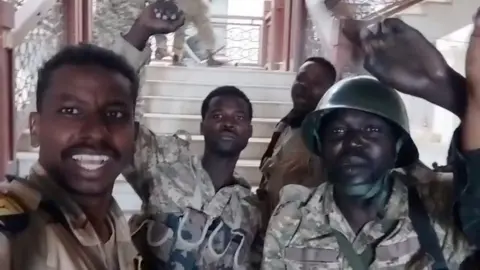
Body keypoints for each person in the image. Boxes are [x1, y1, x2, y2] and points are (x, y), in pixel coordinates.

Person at [261, 75, 473, 269]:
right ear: (321, 145)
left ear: (397, 146)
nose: (353, 142)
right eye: (338, 131)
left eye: (372, 130)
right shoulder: (292, 218)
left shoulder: (438, 211)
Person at [110, 4, 262, 268]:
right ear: (202, 126)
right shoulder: (163, 164)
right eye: (217, 116)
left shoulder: (253, 209)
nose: (228, 123)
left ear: (249, 131)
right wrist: (140, 32)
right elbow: (111, 118)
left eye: (238, 118)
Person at [0, 44, 141, 269]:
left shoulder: (113, 220)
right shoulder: (14, 225)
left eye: (115, 114)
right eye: (71, 111)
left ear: (134, 133)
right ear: (36, 128)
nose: (96, 132)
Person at [257, 57, 336, 231]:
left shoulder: (326, 137)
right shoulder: (286, 125)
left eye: (315, 83)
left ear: (328, 92)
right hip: (269, 231)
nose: (303, 86)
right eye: (300, 79)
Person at [150, 0, 224, 66]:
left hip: (191, 5)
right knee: (185, 31)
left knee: (203, 30)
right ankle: (177, 57)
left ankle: (177, 57)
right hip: (190, 5)